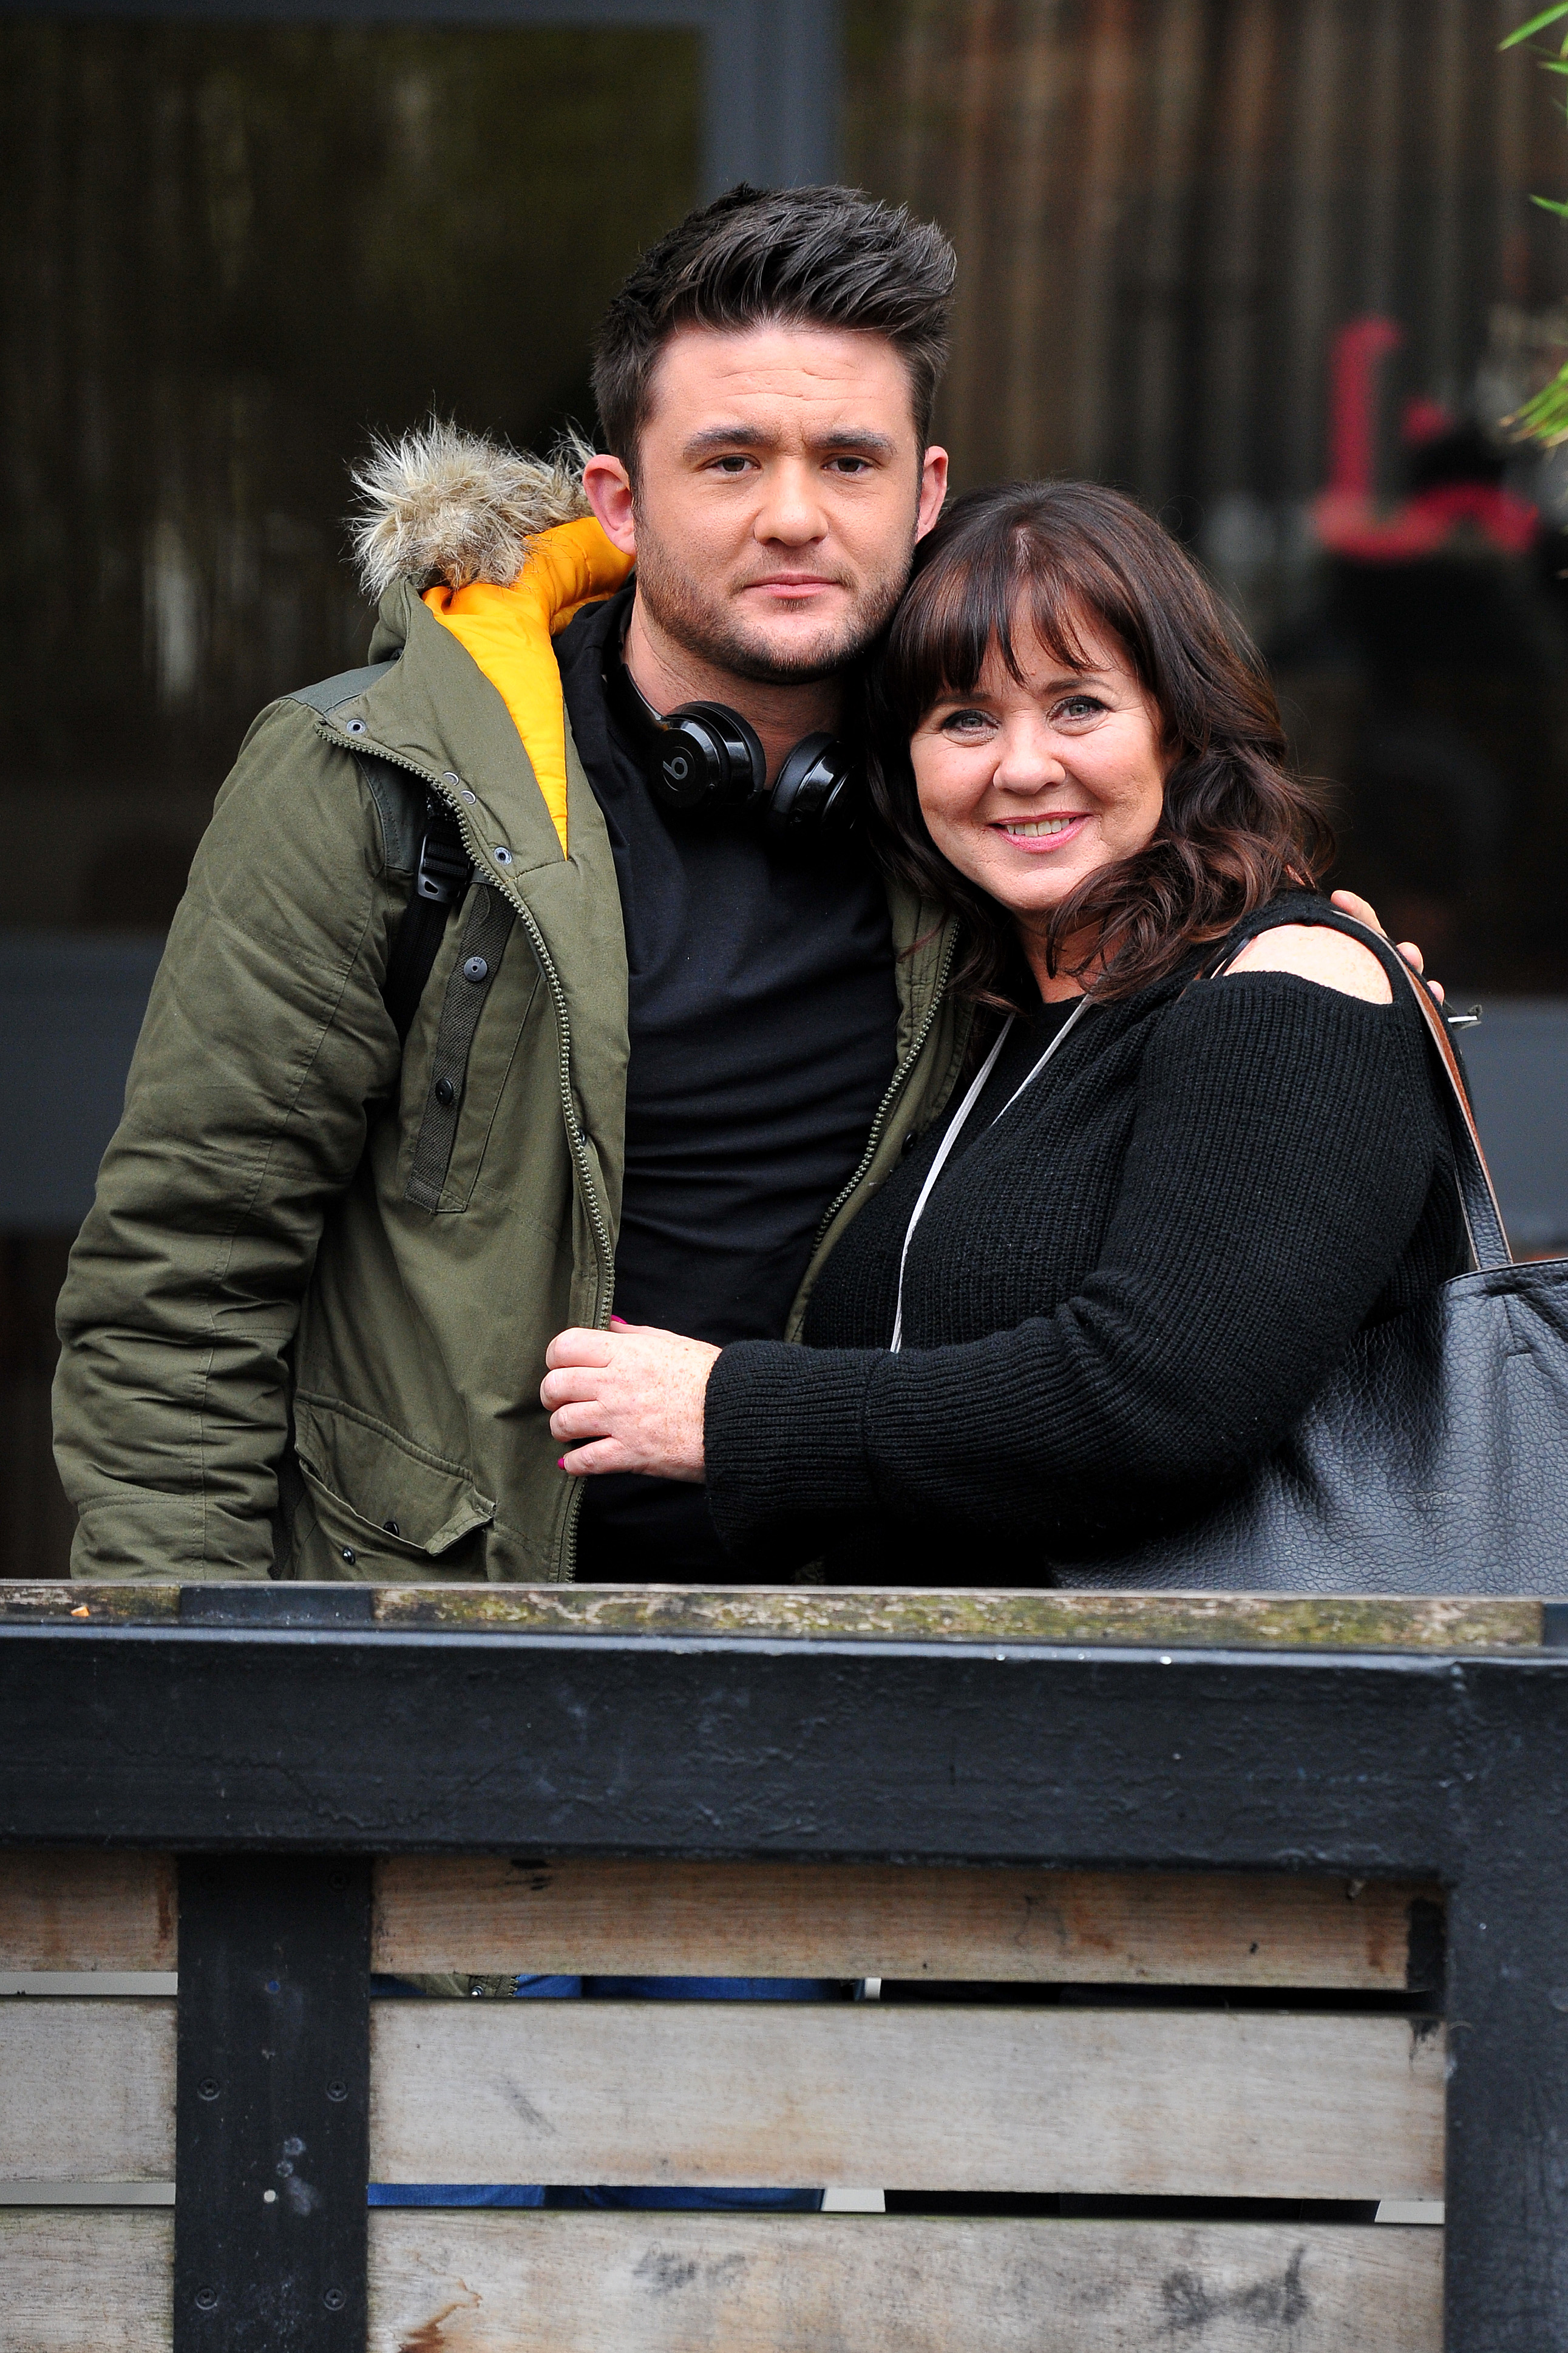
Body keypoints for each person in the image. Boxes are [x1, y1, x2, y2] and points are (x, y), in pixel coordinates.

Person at [53, 179, 1430, 1589]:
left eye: (847, 461)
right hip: (448, 1646)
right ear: (619, 498)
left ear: (923, 492)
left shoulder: (961, 818)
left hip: (859, 1670)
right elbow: (186, 1284)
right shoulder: (377, 783)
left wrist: (1301, 969)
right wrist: (204, 1694)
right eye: (727, 461)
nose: (792, 516)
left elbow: (1173, 1083)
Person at [539, 480, 1468, 1582]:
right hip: (955, 1712)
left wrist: (728, 1410)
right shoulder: (992, 1031)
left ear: (1179, 728)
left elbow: (1153, 1403)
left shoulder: (1291, 980)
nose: (1023, 767)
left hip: (1196, 1723)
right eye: (965, 720)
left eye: (1079, 705)